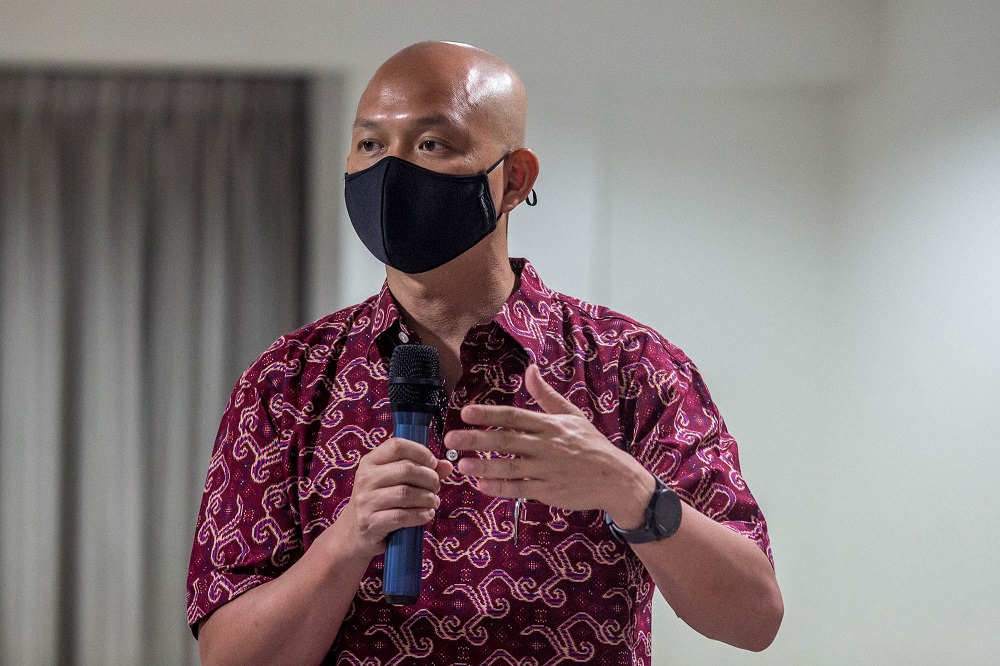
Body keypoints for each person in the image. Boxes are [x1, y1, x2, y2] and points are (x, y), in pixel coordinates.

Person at [187, 41, 783, 666]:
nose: (391, 171)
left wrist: (628, 488)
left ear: (514, 179)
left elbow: (753, 616)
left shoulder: (630, 368)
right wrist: (348, 538)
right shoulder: (287, 382)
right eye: (370, 145)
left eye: (430, 145)